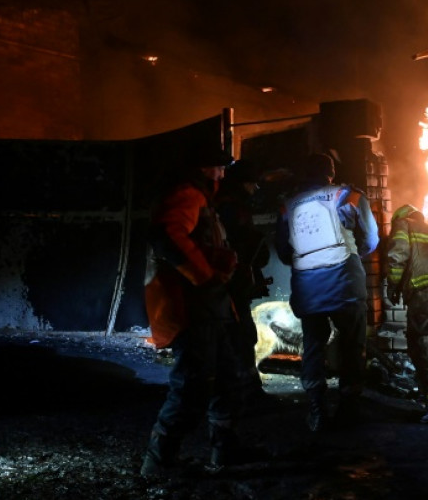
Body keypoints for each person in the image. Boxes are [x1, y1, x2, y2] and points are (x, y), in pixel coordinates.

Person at [140, 145, 257, 476]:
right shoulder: (187, 194)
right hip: (193, 309)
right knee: (193, 385)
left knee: (227, 381)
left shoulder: (202, 200)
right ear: (204, 168)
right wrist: (205, 276)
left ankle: (226, 450)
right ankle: (158, 460)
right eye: (218, 168)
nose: (222, 175)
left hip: (212, 308)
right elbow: (165, 236)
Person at [275, 152, 379, 432]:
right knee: (352, 345)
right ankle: (349, 409)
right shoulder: (349, 196)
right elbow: (371, 241)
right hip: (346, 281)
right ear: (330, 172)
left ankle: (317, 410)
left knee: (313, 346)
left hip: (308, 287)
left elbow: (284, 252)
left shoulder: (288, 206)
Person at [384, 204, 428, 424]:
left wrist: (392, 285)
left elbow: (397, 255)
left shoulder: (403, 224)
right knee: (418, 343)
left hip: (424, 288)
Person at [215, 158, 272, 407]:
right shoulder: (231, 207)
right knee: (241, 334)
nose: (255, 190)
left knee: (241, 334)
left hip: (233, 280)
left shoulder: (228, 204)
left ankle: (243, 390)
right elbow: (237, 244)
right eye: (253, 184)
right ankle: (245, 394)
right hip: (231, 282)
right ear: (243, 183)